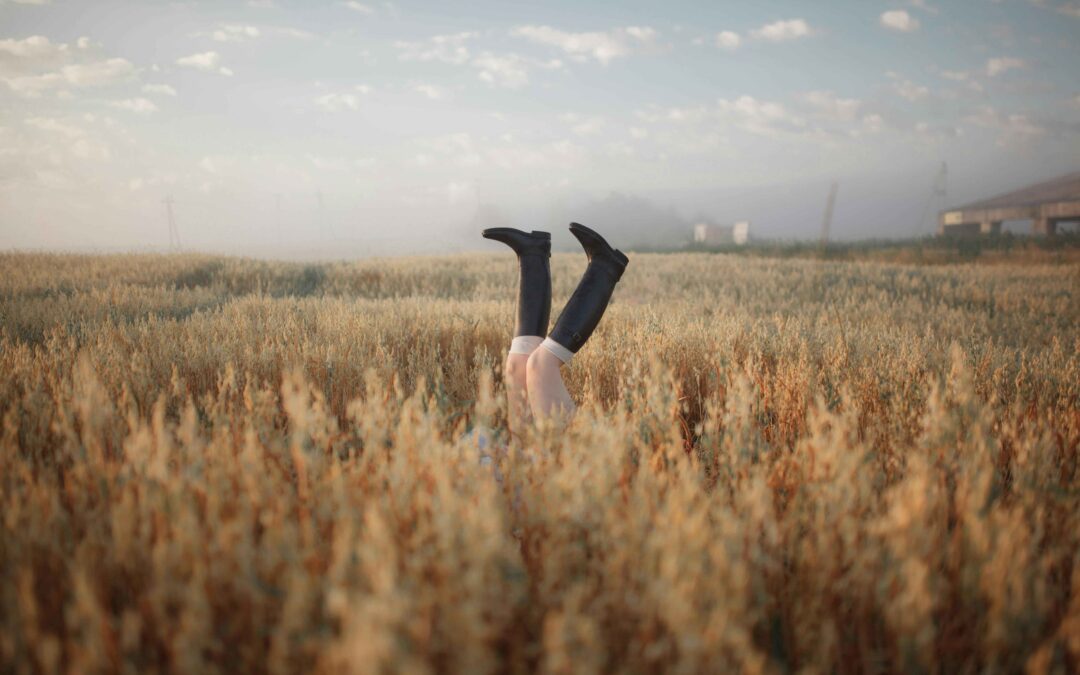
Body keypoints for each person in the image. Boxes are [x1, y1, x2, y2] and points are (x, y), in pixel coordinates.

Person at [483, 222, 629, 434]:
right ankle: (604, 267)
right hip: (559, 462)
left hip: (523, 458)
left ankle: (532, 254)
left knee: (517, 366)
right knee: (540, 365)